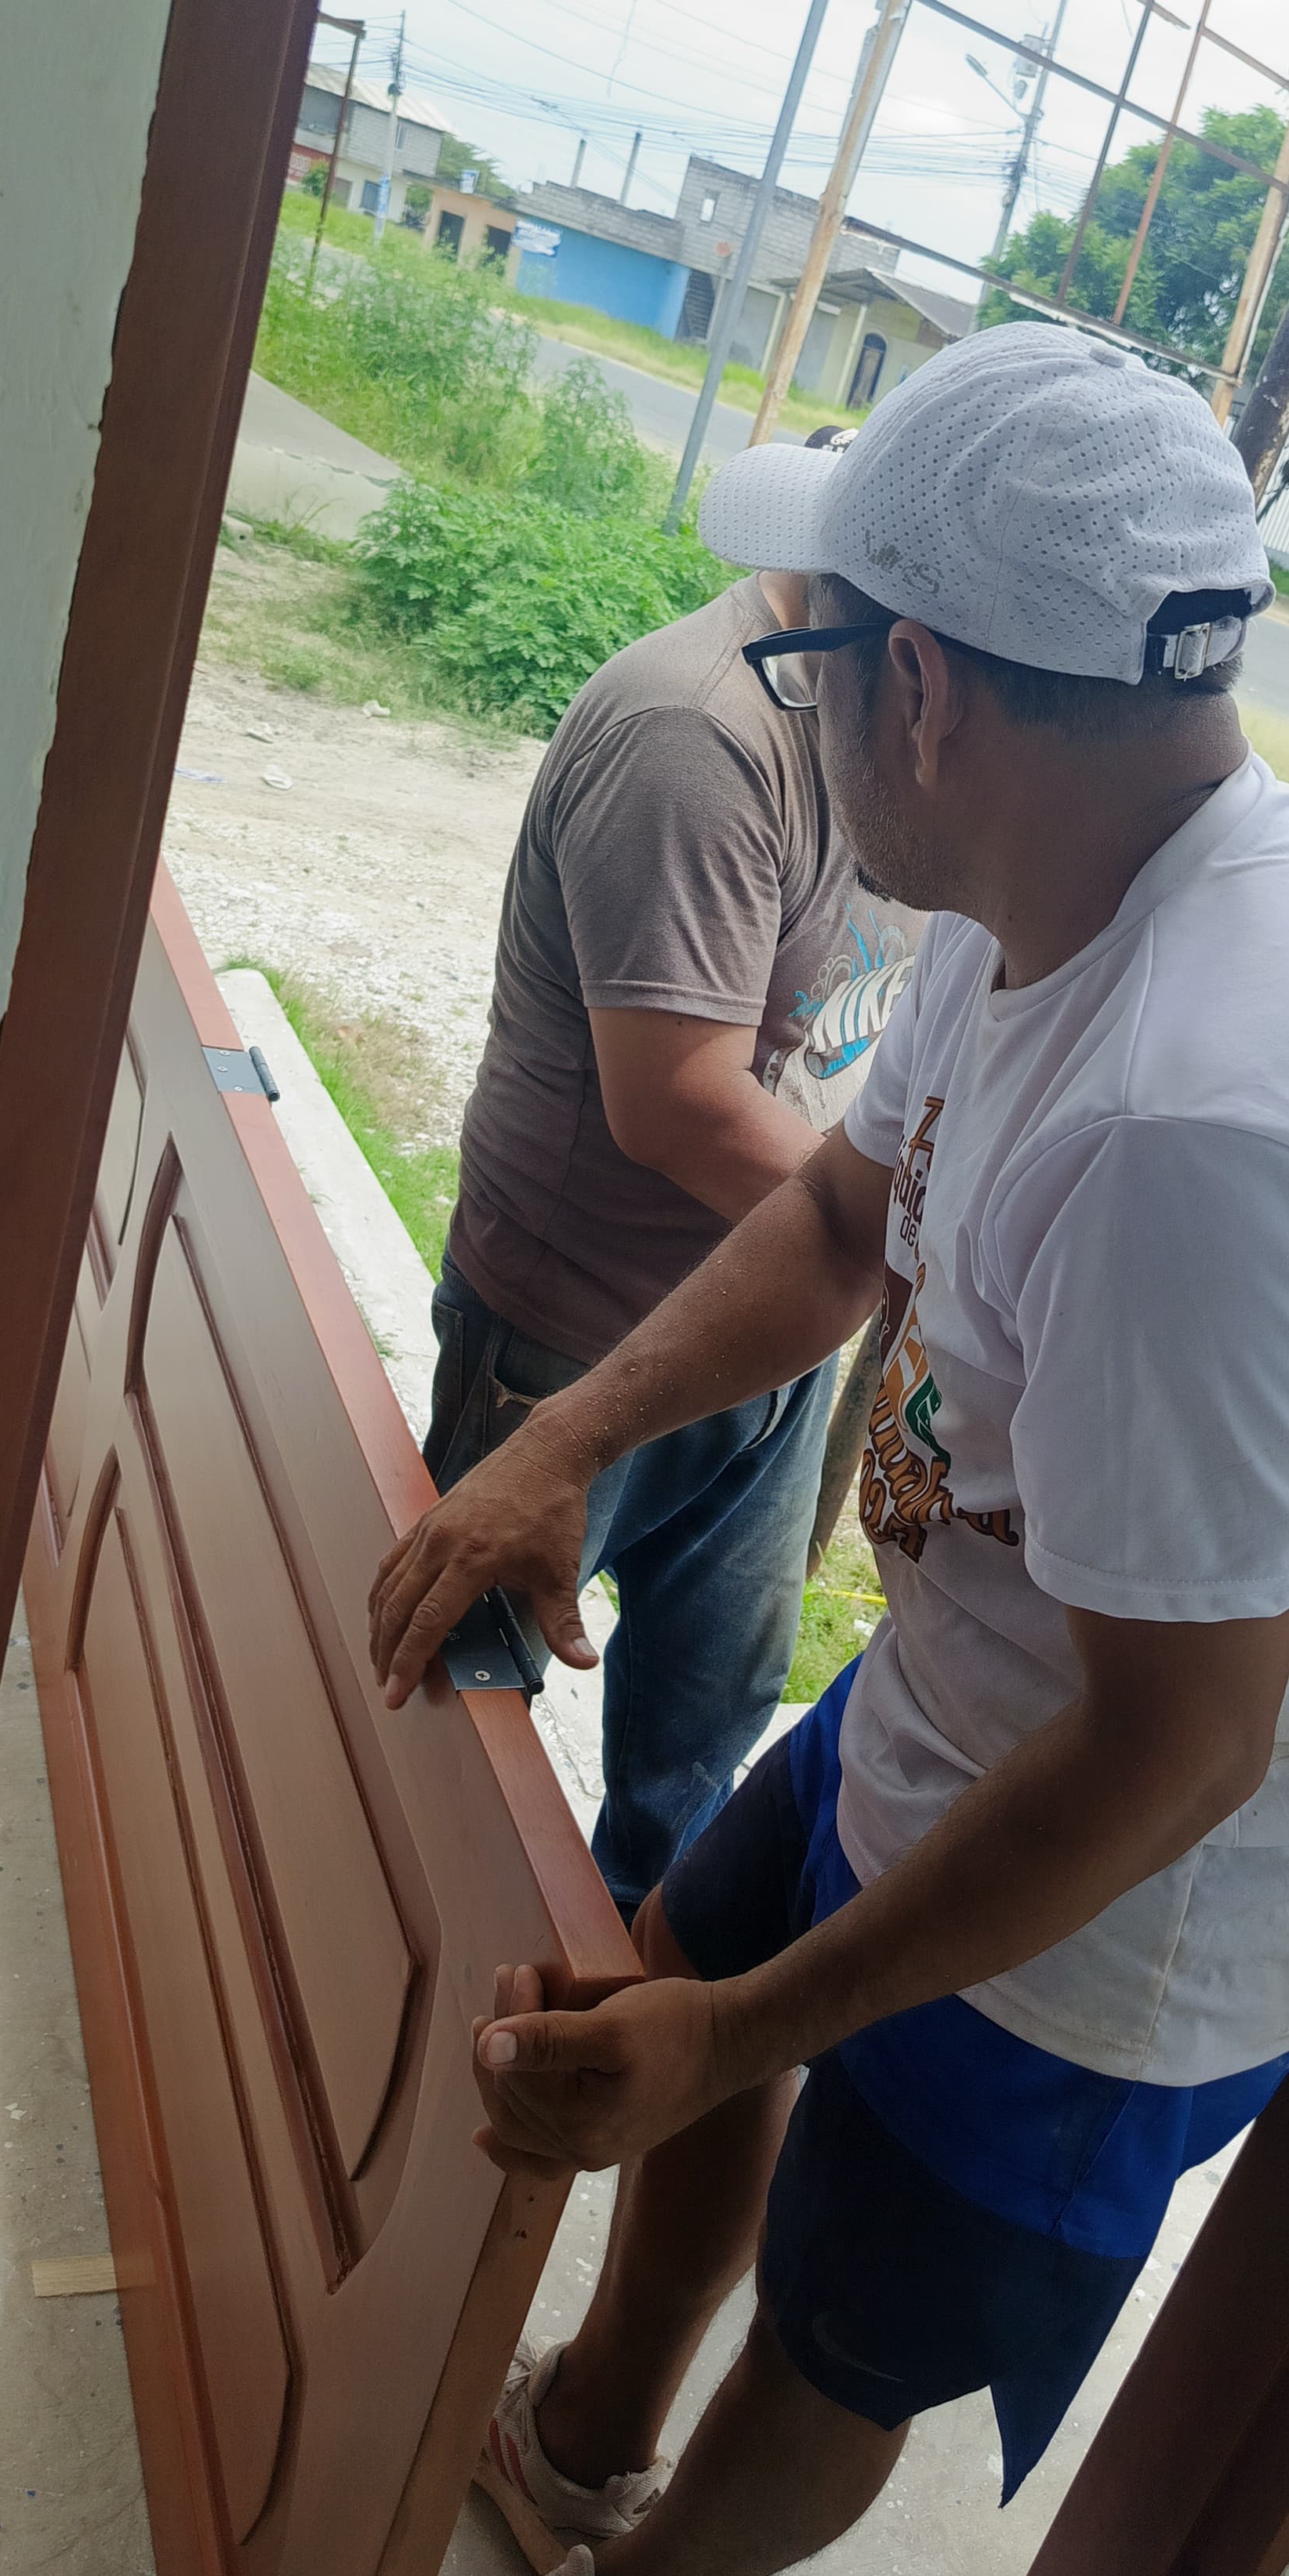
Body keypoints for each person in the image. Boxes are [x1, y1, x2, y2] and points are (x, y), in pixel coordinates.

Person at [368, 321, 1289, 2576]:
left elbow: (1179, 1752)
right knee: (686, 1957)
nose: (793, 695)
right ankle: (592, 2425)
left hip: (1128, 1899)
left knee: (851, 2315)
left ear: (927, 693)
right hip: (970, 1691)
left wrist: (737, 2041)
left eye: (814, 658)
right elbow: (845, 1216)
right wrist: (564, 1440)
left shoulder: (1215, 1126)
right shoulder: (1037, 895)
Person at [427, 425, 911, 1917]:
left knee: (701, 1736)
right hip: (581, 1331)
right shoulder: (699, 734)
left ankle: (613, 1985)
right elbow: (682, 1105)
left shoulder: (892, 731)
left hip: (772, 1323)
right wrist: (916, 1244)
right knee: (457, 1708)